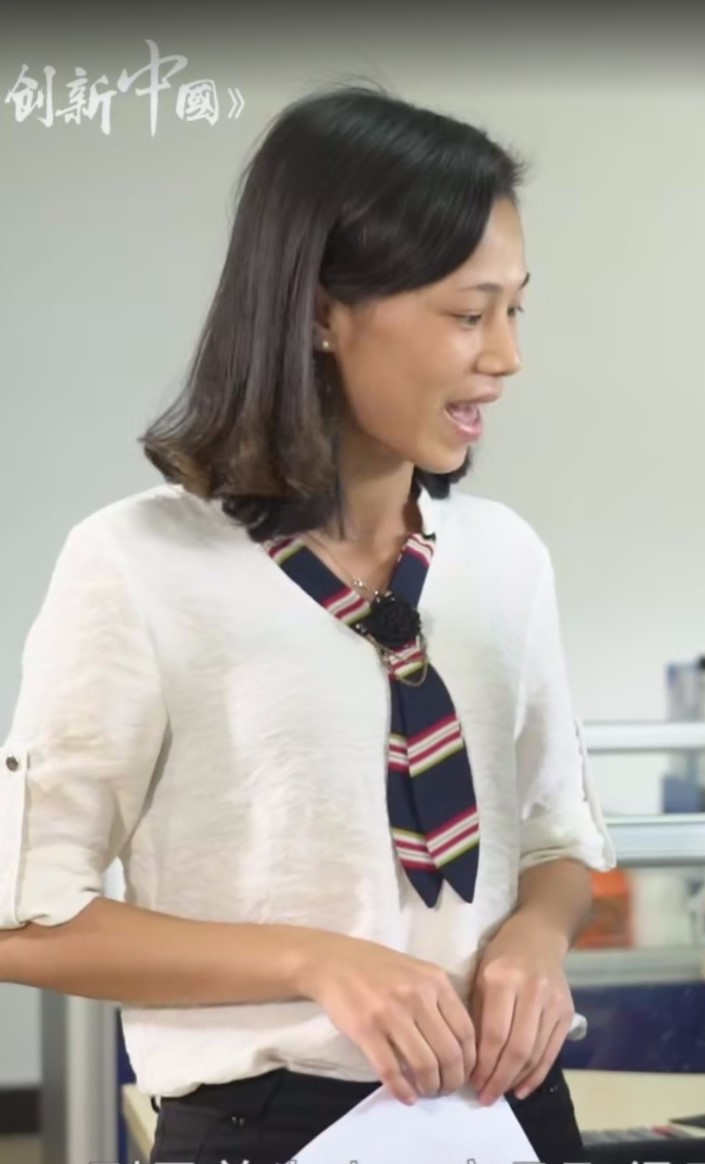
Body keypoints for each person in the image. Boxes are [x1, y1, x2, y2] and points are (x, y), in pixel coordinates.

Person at [0, 85, 614, 1164]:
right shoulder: (139, 564)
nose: (507, 357)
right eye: (469, 315)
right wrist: (320, 962)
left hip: (511, 1116)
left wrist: (533, 937)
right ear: (324, 310)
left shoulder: (504, 557)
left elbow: (562, 841)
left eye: (518, 309)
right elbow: (24, 923)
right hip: (270, 1128)